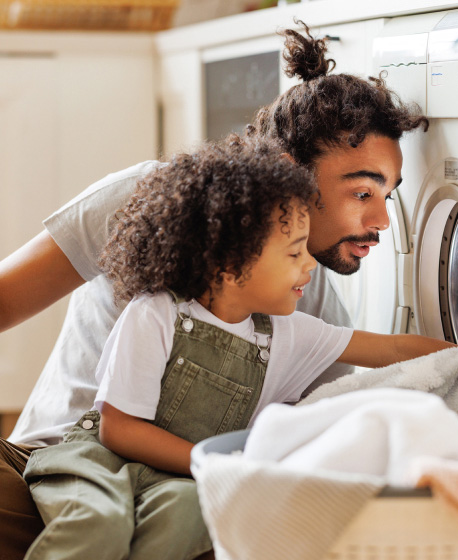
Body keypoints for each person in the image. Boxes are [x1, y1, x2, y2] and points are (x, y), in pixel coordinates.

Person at [0, 21, 430, 559]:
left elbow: (338, 422)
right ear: (289, 172)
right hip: (57, 466)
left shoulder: (305, 303)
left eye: (388, 196)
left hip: (179, 491)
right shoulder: (150, 200)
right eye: (362, 191)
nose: (382, 220)